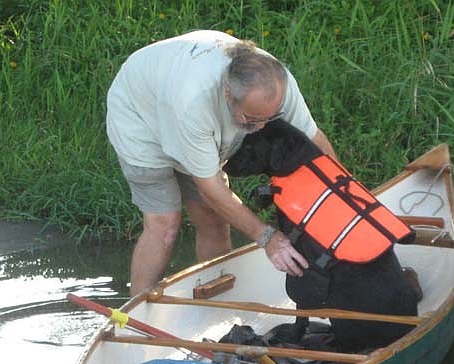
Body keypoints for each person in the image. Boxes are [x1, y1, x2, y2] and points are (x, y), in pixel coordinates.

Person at [106, 30, 339, 296]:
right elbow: (210, 187)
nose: (261, 127)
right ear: (228, 94)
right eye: (252, 120)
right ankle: (136, 317)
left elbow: (315, 142)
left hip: (178, 93)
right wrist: (268, 238)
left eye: (269, 119)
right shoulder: (194, 103)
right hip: (139, 117)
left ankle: (217, 300)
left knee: (213, 217)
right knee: (165, 224)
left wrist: (345, 195)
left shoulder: (276, 84)